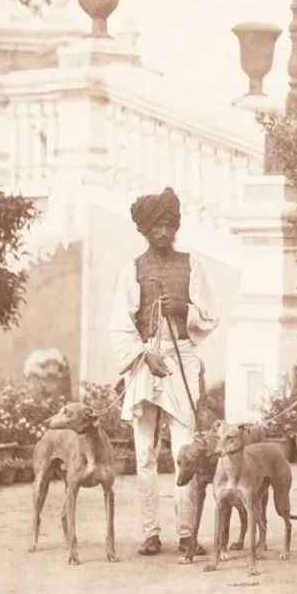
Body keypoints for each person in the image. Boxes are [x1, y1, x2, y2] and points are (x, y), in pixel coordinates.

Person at [110, 186, 218, 559]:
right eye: (157, 226)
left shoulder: (192, 264)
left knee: (185, 450)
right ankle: (150, 533)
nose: (164, 232)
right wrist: (143, 356)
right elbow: (119, 323)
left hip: (181, 358)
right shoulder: (132, 269)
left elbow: (209, 316)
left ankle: (187, 534)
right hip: (145, 361)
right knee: (144, 454)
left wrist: (185, 308)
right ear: (145, 229)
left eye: (170, 225)